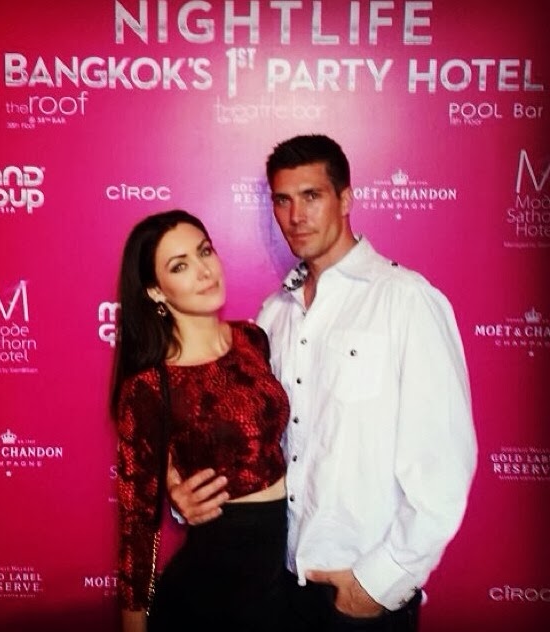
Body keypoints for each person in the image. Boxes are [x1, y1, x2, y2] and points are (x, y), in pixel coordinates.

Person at [168, 135, 478, 631]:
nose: (296, 216)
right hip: (273, 587)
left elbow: (442, 466)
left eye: (311, 196)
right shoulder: (272, 316)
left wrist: (378, 584)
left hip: (359, 595)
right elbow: (248, 446)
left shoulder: (406, 301)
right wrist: (188, 501)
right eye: (283, 200)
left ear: (346, 199)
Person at [111, 209, 291, 632]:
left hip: (278, 574)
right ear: (155, 291)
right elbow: (137, 523)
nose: (204, 271)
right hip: (213, 586)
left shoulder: (252, 339)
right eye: (180, 266)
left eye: (204, 251)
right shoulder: (150, 386)